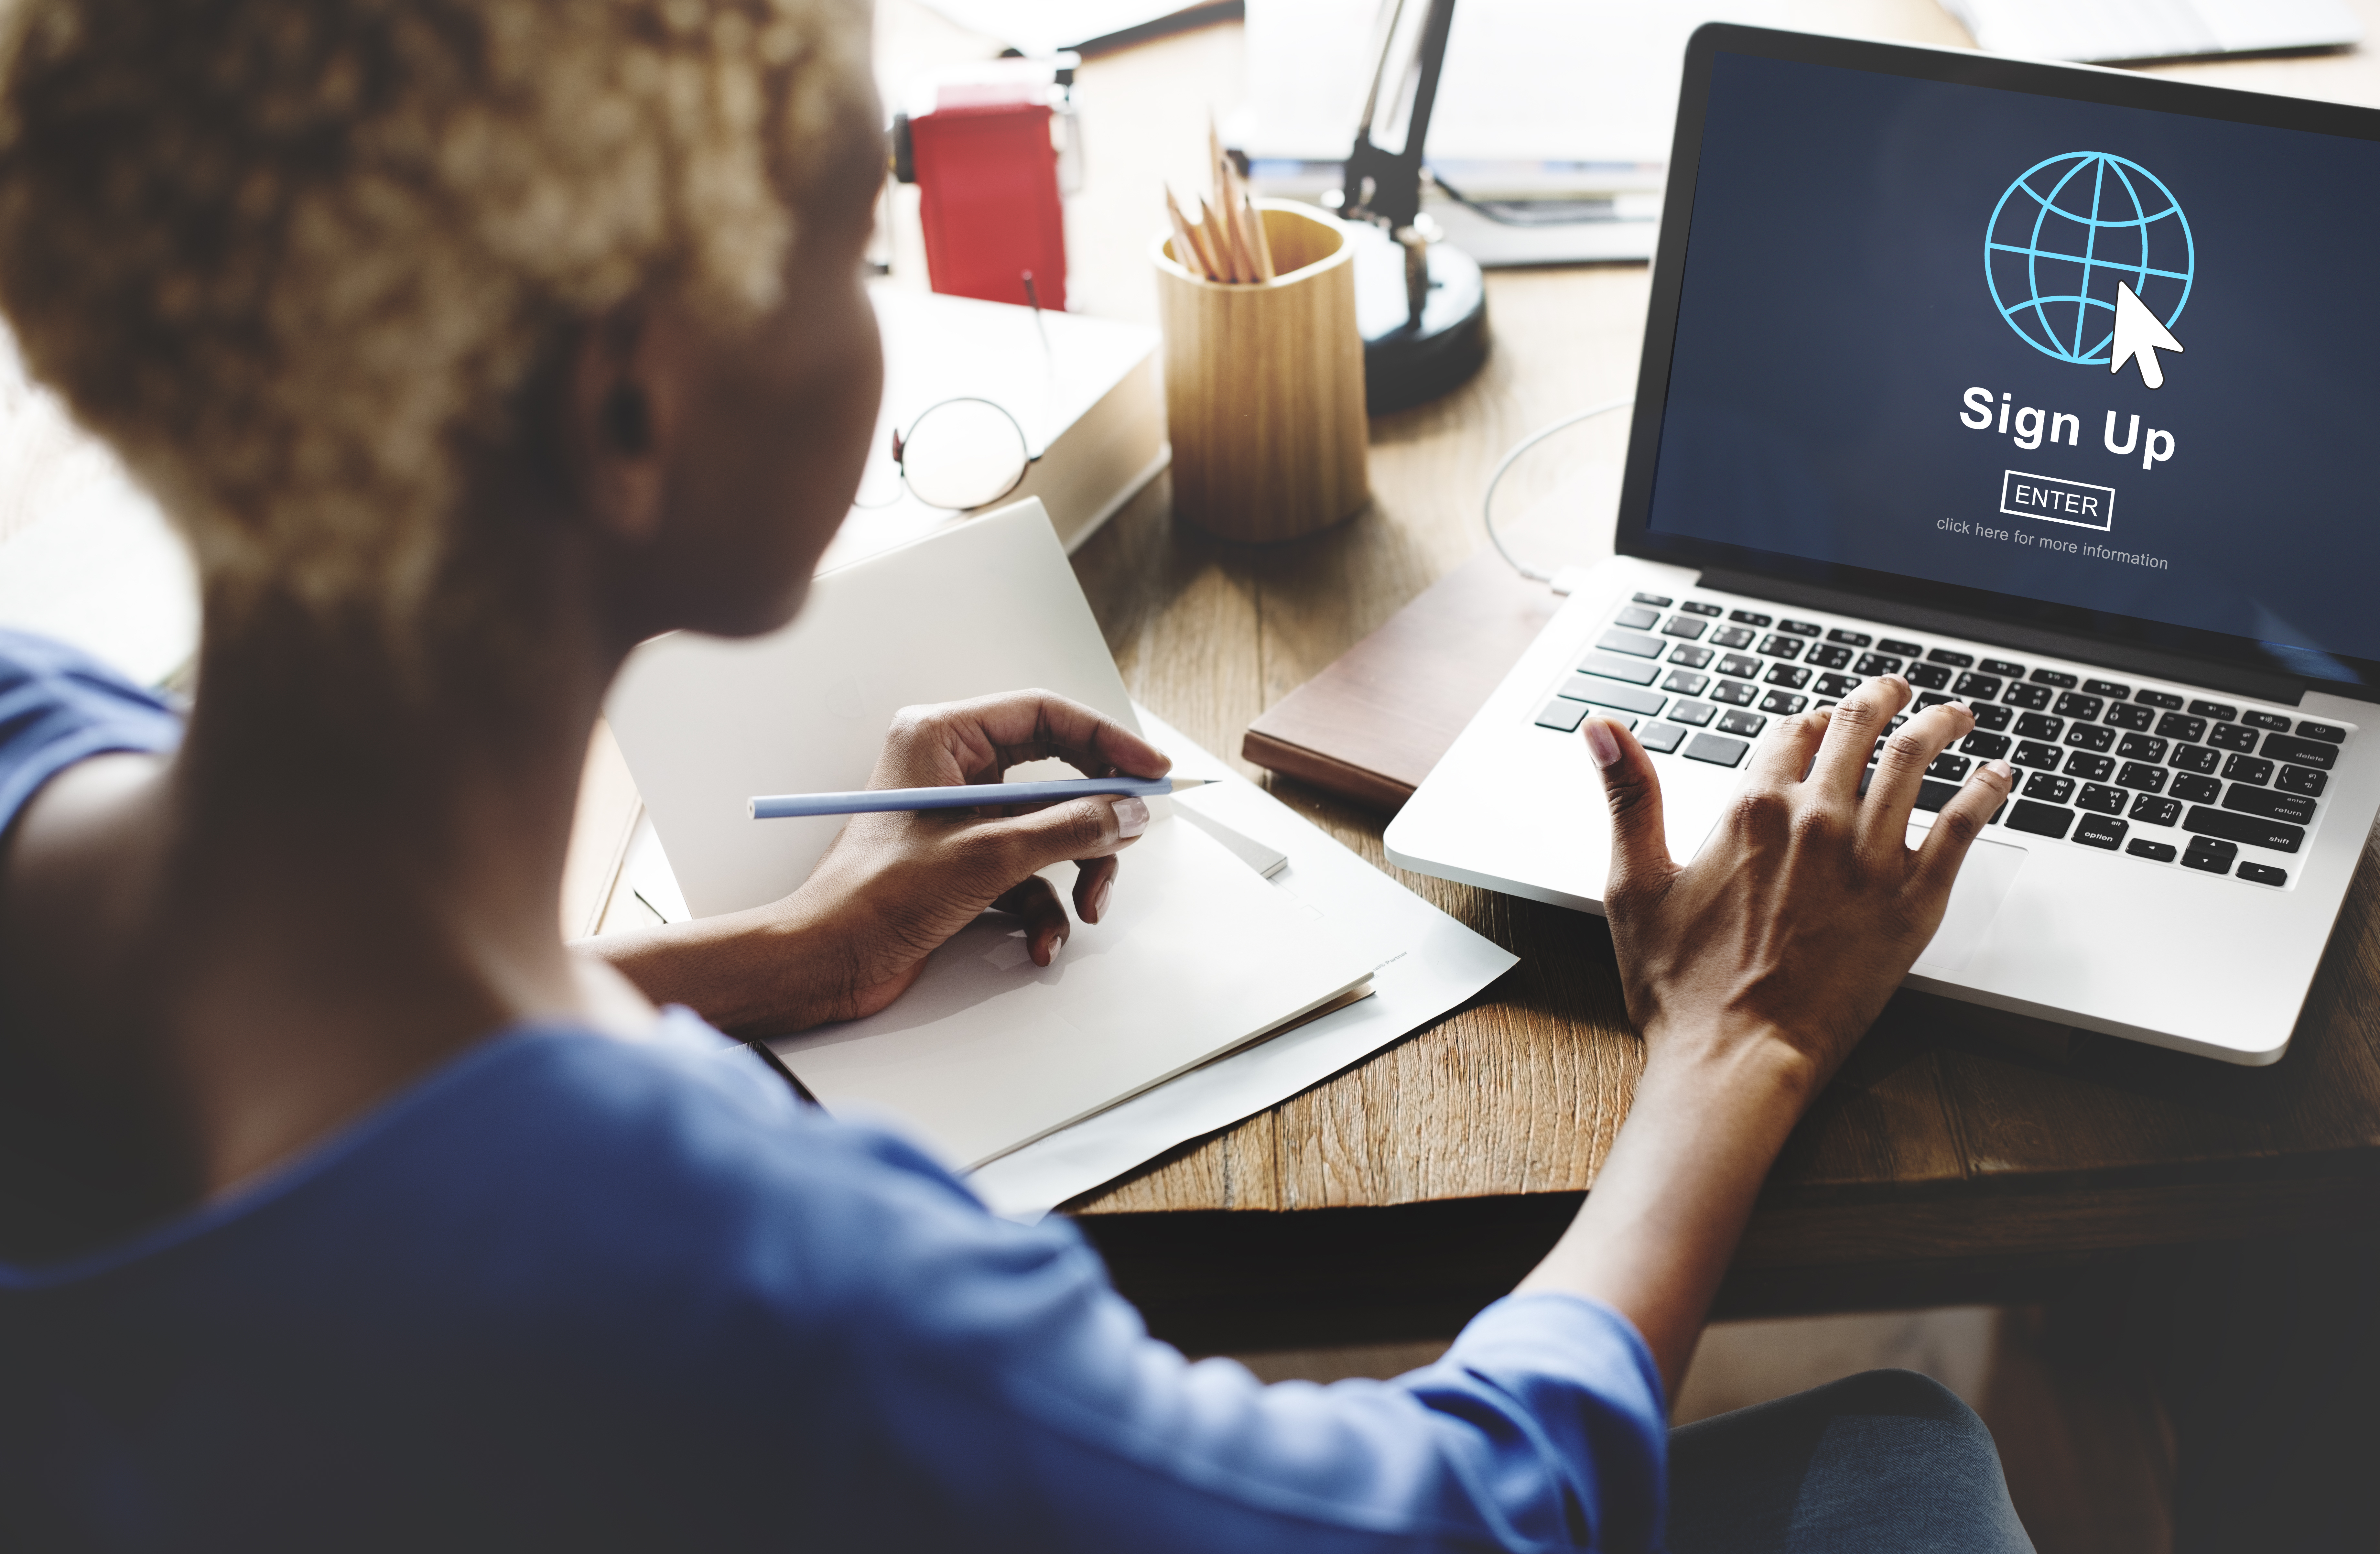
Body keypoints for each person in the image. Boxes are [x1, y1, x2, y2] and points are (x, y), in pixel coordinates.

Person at [0, 2, 2033, 1549]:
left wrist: (778, 959)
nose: (885, 302)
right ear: (631, 402)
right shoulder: (758, 1287)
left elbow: (320, 1098)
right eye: (849, 244)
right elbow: (1448, 1514)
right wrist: (1737, 1043)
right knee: (1907, 1461)